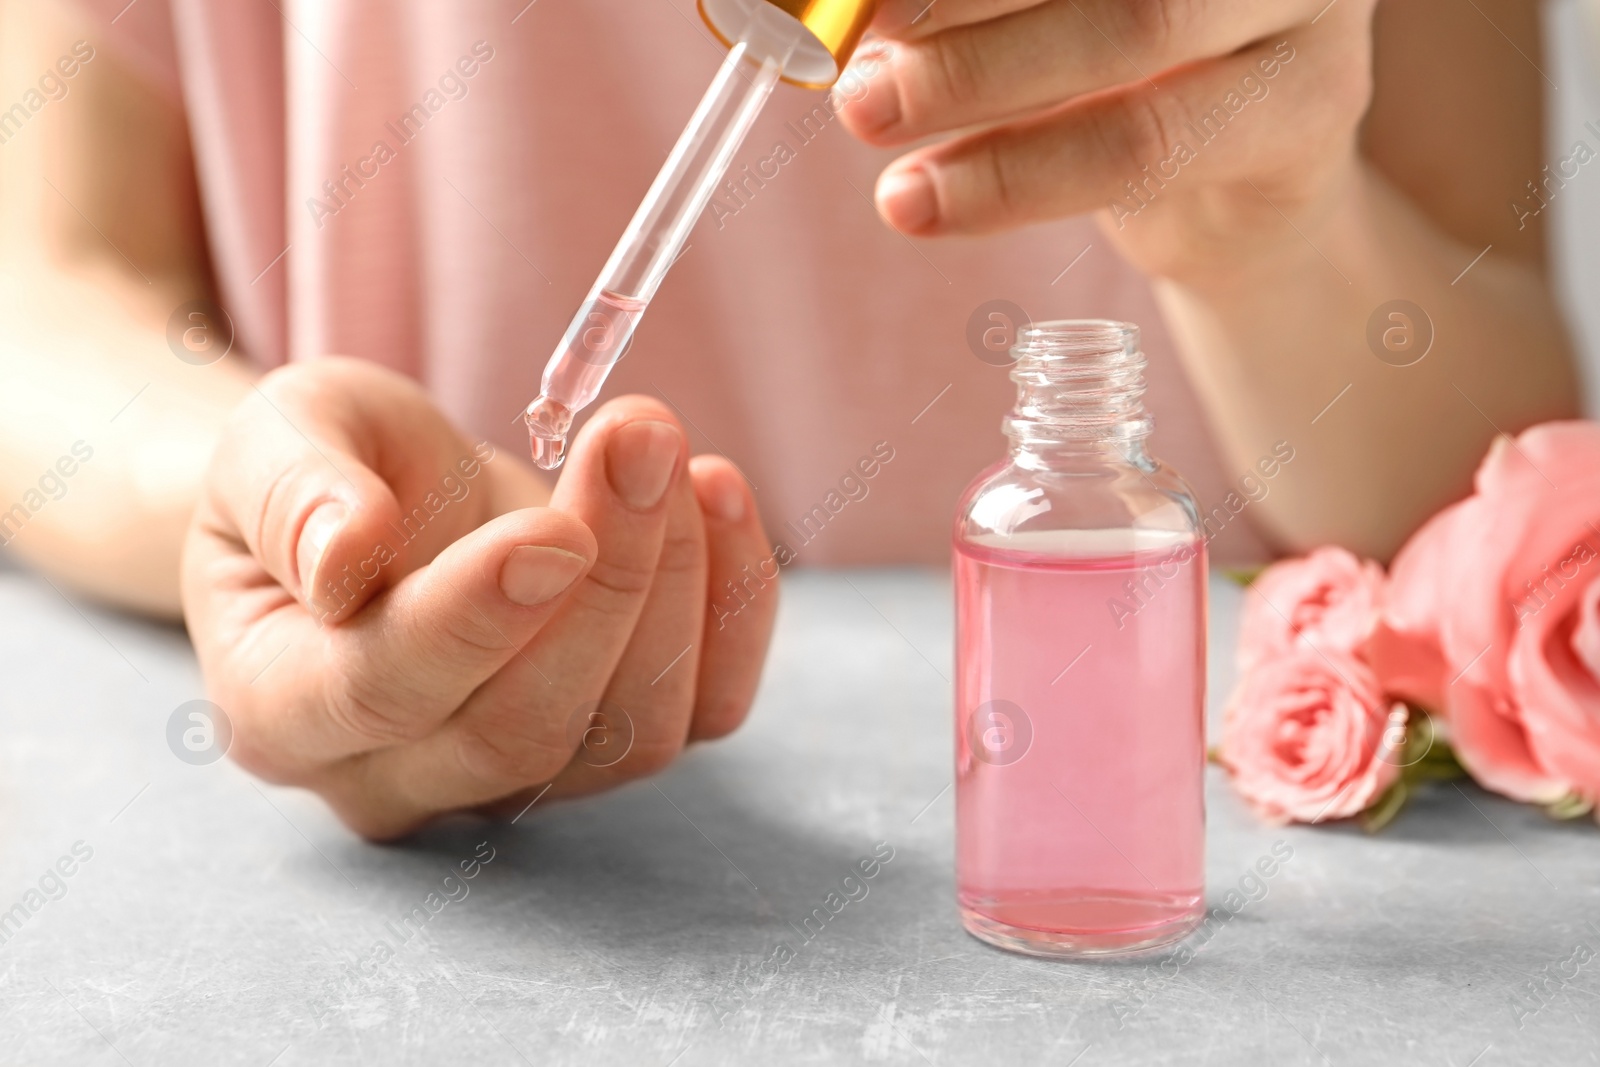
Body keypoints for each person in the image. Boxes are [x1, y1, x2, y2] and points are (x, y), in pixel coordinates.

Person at [0, 0, 1577, 837]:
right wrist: (268, 490)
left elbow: (1505, 465)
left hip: (1237, 823)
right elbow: (41, 294)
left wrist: (1268, 234)